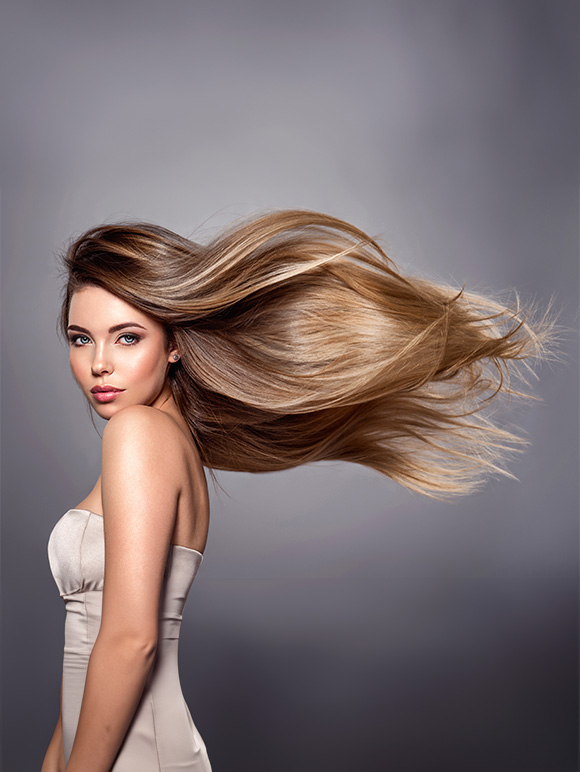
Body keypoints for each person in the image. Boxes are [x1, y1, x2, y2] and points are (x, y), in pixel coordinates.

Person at [41, 209, 551, 772]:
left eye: (127, 337)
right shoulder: (164, 440)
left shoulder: (137, 435)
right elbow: (88, 661)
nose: (99, 365)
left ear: (173, 346)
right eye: (80, 339)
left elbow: (131, 641)